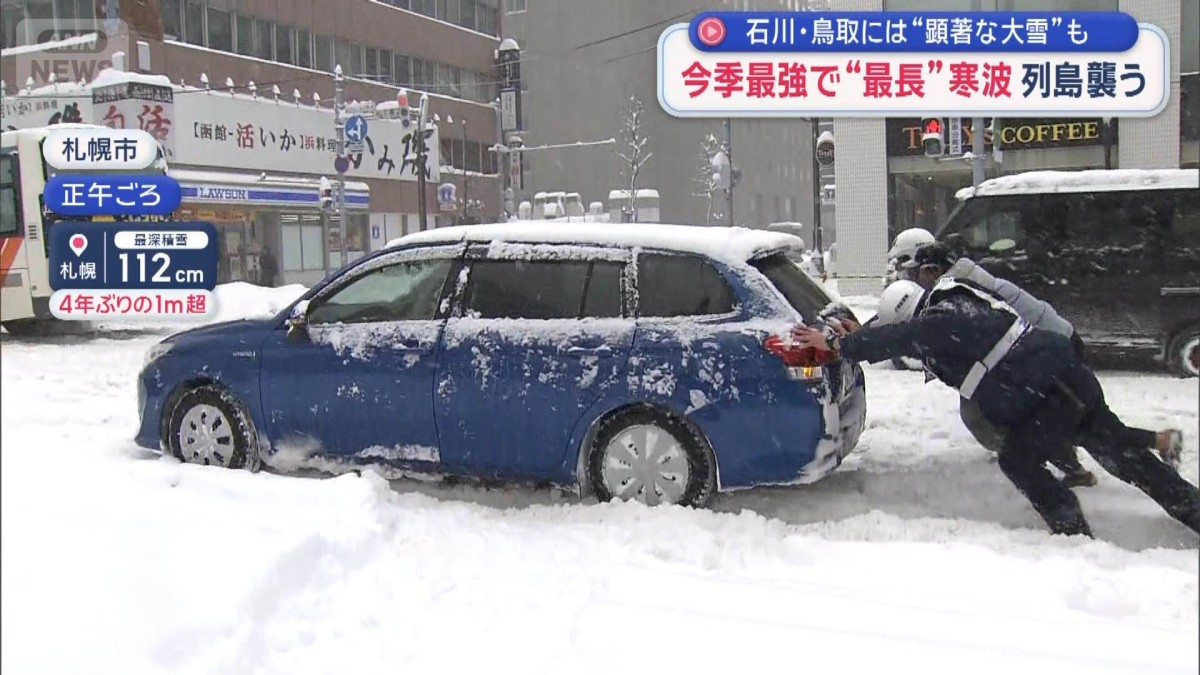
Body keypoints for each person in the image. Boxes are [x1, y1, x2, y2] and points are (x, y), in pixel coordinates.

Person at [792, 277, 1194, 539]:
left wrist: (839, 346)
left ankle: (1074, 536)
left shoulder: (940, 321)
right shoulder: (955, 307)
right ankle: (1189, 508)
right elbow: (901, 335)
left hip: (1051, 395)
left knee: (1018, 460)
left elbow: (907, 336)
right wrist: (862, 333)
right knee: (1120, 454)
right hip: (1062, 381)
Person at [904, 242, 1100, 488]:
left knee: (1064, 421)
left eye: (917, 272)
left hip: (1053, 351)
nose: (915, 279)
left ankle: (1037, 457)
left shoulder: (960, 292)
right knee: (1065, 419)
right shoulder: (963, 283)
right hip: (1045, 349)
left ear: (932, 271)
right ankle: (1070, 461)